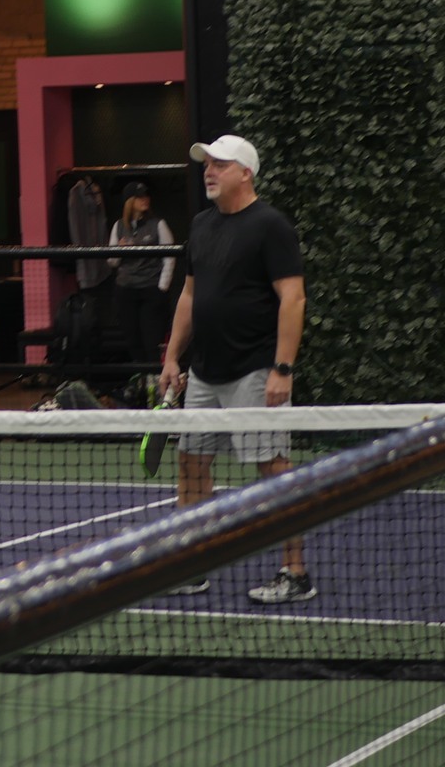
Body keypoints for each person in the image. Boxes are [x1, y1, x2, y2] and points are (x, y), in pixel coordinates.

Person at [158, 134, 310, 605]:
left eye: (220, 164)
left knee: (273, 468)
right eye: (207, 163)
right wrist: (172, 357)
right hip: (204, 371)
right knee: (191, 463)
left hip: (255, 369)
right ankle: (193, 565)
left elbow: (293, 297)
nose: (209, 170)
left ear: (246, 173)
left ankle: (295, 573)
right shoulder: (201, 225)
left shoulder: (270, 226)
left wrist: (282, 368)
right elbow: (189, 295)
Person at [103, 181, 178, 400]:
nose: (145, 199)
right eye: (139, 196)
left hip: (150, 289)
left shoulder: (158, 224)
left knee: (152, 340)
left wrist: (162, 287)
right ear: (129, 201)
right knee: (132, 340)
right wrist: (120, 249)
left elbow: (170, 257)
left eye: (146, 195)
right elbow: (111, 261)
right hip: (126, 290)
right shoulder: (118, 226)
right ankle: (141, 385)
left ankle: (156, 387)